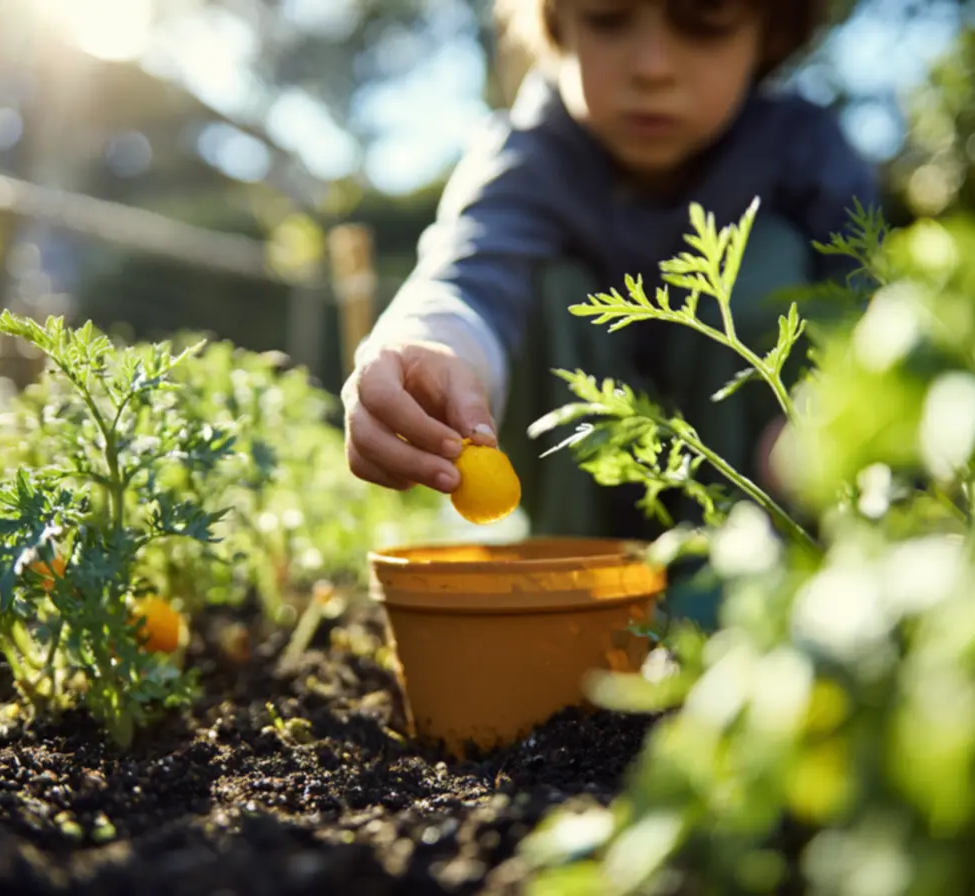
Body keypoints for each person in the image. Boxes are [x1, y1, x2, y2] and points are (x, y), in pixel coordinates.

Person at [342, 0, 879, 608]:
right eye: (606, 18)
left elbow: (865, 309)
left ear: (770, 31)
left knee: (770, 264)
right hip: (583, 516)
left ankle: (748, 600)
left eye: (702, 25)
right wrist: (427, 347)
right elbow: (472, 271)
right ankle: (570, 593)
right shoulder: (528, 156)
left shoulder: (805, 148)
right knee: (548, 285)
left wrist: (832, 408)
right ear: (556, 26)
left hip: (768, 498)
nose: (652, 68)